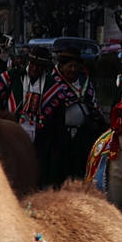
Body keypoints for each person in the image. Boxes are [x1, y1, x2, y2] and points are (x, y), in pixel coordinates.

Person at [29, 41, 105, 189]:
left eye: (76, 66)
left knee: (81, 172)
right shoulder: (52, 84)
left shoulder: (85, 83)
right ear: (61, 67)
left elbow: (94, 107)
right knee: (58, 173)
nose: (73, 69)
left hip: (82, 136)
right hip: (59, 138)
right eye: (69, 66)